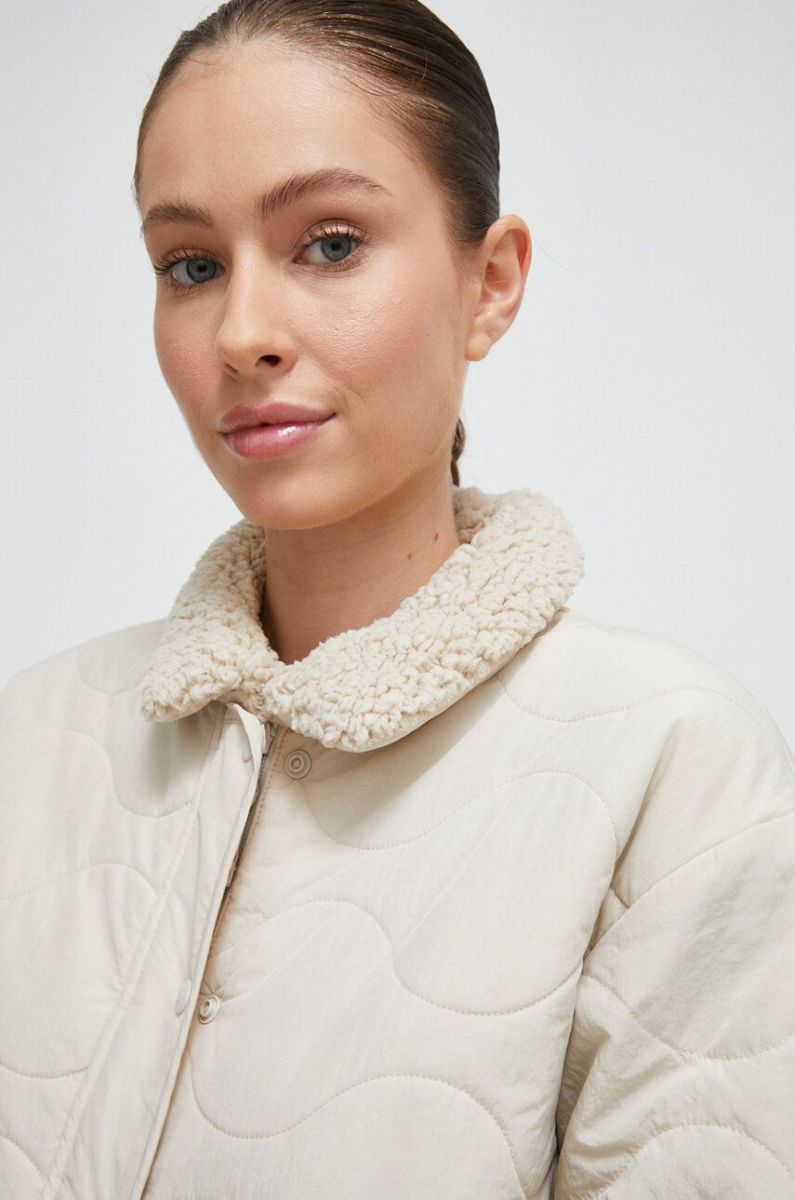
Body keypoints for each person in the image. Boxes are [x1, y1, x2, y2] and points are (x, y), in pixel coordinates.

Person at [1, 1, 793, 1196]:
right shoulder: (32, 741)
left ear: (491, 283)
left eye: (329, 244)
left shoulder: (676, 772)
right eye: (191, 266)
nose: (243, 332)